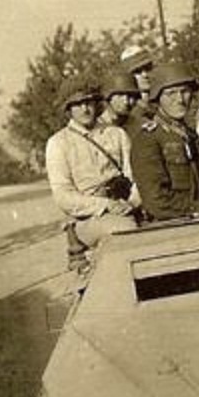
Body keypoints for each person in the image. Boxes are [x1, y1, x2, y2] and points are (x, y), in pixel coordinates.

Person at [45, 84, 141, 269]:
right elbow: (63, 196)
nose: (85, 109)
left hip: (125, 204)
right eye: (77, 104)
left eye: (88, 102)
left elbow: (135, 175)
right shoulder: (58, 143)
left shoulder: (116, 134)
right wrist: (105, 205)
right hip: (89, 217)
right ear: (68, 109)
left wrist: (132, 202)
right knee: (125, 231)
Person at [130, 62, 199, 221]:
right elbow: (156, 201)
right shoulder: (147, 139)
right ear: (157, 98)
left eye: (184, 92)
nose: (180, 99)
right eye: (171, 93)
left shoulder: (188, 135)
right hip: (174, 224)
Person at [98, 71, 142, 137]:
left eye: (131, 96)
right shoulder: (97, 129)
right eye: (120, 95)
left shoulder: (138, 125)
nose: (126, 101)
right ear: (108, 98)